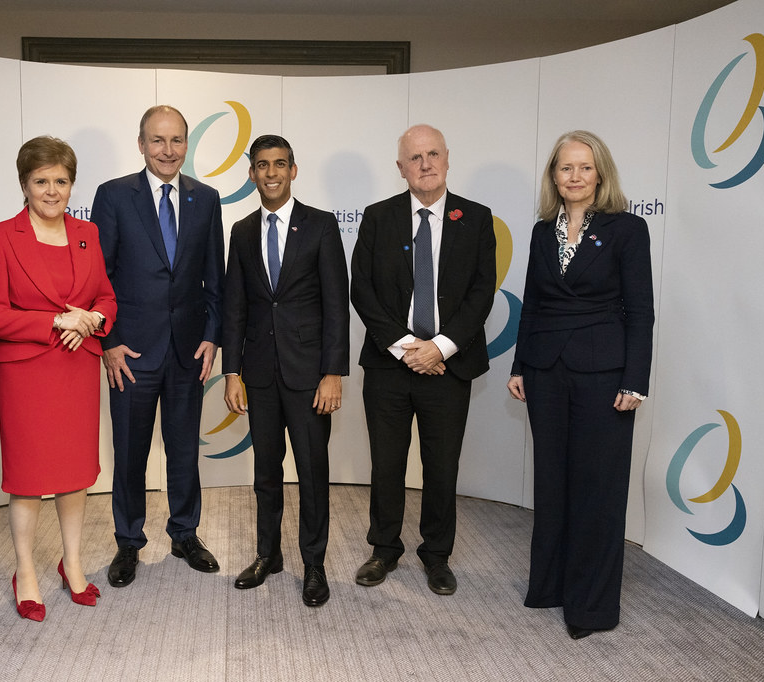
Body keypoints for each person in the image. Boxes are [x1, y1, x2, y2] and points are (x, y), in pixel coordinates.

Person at [507, 130, 654, 640]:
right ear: (554, 176)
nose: (574, 177)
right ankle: (549, 586)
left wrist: (636, 379)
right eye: (565, 168)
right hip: (546, 372)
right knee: (553, 482)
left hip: (603, 374)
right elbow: (533, 304)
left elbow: (640, 309)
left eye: (584, 168)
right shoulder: (541, 231)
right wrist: (520, 365)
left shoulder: (627, 229)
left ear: (600, 174)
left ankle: (589, 608)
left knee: (599, 489)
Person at [350, 124, 496, 595]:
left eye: (433, 154)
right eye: (415, 157)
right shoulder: (377, 217)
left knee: (442, 467)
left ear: (448, 158)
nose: (425, 164)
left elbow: (480, 292)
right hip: (390, 366)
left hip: (449, 366)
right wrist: (409, 347)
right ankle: (384, 549)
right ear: (401, 168)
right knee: (387, 464)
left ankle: (437, 556)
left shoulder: (475, 218)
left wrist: (441, 347)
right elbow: (362, 290)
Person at [0, 136, 117, 622]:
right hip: (28, 374)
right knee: (29, 479)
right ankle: (25, 571)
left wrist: (92, 320)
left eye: (61, 181)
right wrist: (56, 322)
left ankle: (72, 563)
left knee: (76, 475)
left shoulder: (88, 233)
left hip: (77, 369)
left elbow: (107, 299)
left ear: (72, 184)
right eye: (41, 181)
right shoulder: (0, 238)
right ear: (24, 184)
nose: (52, 191)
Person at [90, 105, 225, 586]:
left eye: (176, 141)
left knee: (184, 449)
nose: (167, 151)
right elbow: (98, 275)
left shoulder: (206, 199)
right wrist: (109, 341)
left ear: (187, 145)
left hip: (188, 351)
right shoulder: (113, 196)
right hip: (131, 351)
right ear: (141, 143)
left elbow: (215, 274)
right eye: (157, 141)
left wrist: (212, 336)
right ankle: (128, 542)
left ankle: (185, 534)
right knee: (129, 452)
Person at [221, 135, 349, 607]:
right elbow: (234, 305)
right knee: (265, 472)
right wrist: (232, 372)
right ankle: (267, 555)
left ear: (294, 171)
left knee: (313, 472)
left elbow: (337, 303)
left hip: (310, 374)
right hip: (259, 373)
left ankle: (313, 564)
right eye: (261, 165)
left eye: (279, 164)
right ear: (251, 174)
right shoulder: (240, 230)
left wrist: (333, 372)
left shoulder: (320, 226)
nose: (271, 172)